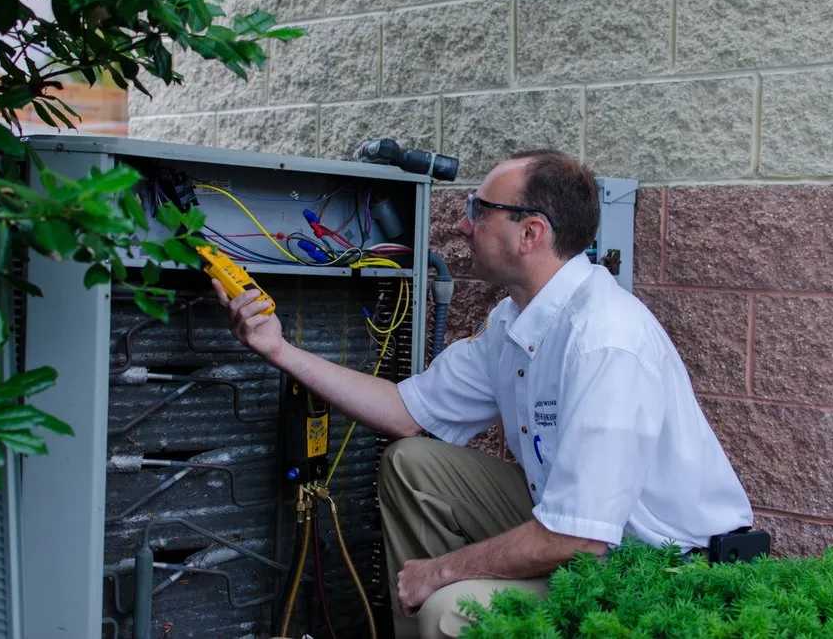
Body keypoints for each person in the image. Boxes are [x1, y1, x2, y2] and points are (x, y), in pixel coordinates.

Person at [213, 149, 753, 639]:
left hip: (659, 569)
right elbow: (406, 412)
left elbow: (580, 540)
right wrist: (279, 350)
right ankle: (421, 616)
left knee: (451, 608)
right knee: (413, 463)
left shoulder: (604, 341)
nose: (461, 223)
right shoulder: (516, 321)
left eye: (479, 208)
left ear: (530, 234)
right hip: (578, 529)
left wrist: (443, 571)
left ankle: (437, 608)